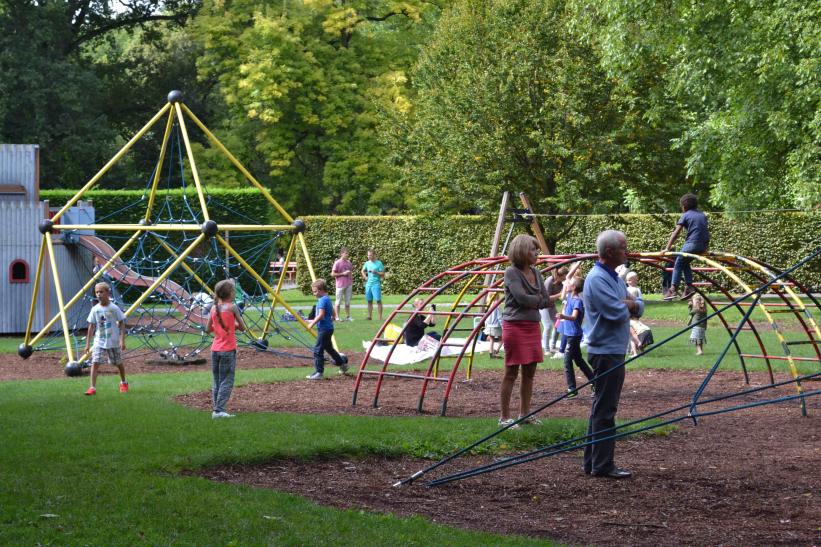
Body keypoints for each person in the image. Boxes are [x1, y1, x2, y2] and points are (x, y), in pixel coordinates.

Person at [583, 230, 643, 479]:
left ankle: (593, 463)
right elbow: (618, 313)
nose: (626, 252)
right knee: (605, 410)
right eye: (623, 248)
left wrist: (628, 304)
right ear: (609, 252)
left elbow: (637, 306)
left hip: (613, 350)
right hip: (605, 351)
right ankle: (603, 465)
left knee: (601, 407)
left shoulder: (614, 278)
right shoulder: (597, 279)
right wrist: (628, 305)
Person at [499, 234, 550, 428]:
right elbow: (522, 298)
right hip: (514, 326)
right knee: (511, 372)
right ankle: (504, 418)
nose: (537, 253)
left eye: (537, 249)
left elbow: (544, 301)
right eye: (532, 250)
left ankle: (525, 414)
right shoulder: (511, 272)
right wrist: (537, 300)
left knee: (530, 372)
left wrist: (536, 300)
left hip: (532, 326)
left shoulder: (537, 273)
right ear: (521, 251)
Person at [205, 279, 247, 418]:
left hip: (215, 349)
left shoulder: (213, 308)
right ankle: (219, 410)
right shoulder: (233, 307)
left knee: (217, 380)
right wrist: (232, 325)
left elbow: (207, 329)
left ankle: (216, 409)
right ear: (230, 293)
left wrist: (220, 327)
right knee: (227, 380)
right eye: (234, 291)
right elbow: (242, 327)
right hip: (228, 350)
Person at [84, 282, 128, 395]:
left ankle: (123, 382)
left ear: (107, 293)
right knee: (95, 361)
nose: (99, 294)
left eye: (101, 292)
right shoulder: (95, 309)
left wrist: (122, 340)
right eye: (97, 292)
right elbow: (91, 326)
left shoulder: (114, 308)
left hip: (112, 341)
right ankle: (92, 388)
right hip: (99, 340)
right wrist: (88, 344)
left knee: (117, 363)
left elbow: (122, 322)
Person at [663, 193, 710, 301]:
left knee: (678, 262)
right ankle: (689, 287)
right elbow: (705, 231)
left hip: (692, 244)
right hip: (703, 245)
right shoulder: (702, 215)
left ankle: (672, 289)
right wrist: (706, 247)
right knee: (685, 262)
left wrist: (667, 248)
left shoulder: (686, 215)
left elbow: (676, 233)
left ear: (684, 206)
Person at [557, 277, 594, 398]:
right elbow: (567, 278)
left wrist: (563, 316)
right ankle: (595, 381)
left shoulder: (577, 301)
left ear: (573, 287)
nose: (567, 284)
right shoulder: (569, 296)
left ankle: (572, 388)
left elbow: (574, 317)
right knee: (578, 360)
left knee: (567, 361)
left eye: (570, 284)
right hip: (570, 334)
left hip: (574, 335)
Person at [306, 279, 349, 380]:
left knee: (317, 350)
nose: (314, 294)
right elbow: (332, 311)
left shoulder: (322, 300)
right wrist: (333, 317)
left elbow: (321, 315)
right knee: (329, 348)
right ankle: (343, 364)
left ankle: (319, 372)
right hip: (328, 328)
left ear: (321, 290)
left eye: (315, 291)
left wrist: (312, 323)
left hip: (324, 329)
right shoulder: (327, 298)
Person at [540, 266, 568, 355]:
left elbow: (561, 297)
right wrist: (560, 294)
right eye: (565, 276)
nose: (566, 278)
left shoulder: (561, 283)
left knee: (558, 324)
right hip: (543, 306)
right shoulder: (549, 281)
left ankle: (553, 347)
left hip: (551, 306)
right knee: (548, 326)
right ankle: (546, 350)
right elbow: (546, 298)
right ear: (561, 275)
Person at [361, 249, 385, 321]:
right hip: (368, 284)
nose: (369, 256)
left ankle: (380, 317)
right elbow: (362, 270)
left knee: (378, 300)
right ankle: (369, 316)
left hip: (376, 284)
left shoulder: (379, 263)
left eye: (370, 255)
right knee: (369, 301)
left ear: (374, 255)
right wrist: (365, 277)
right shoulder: (367, 263)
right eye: (368, 255)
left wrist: (376, 272)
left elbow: (383, 273)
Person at [331, 247, 354, 321]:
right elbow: (333, 274)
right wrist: (342, 273)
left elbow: (350, 273)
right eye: (345, 253)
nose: (347, 255)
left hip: (348, 284)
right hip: (340, 285)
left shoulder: (349, 263)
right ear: (341, 254)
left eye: (348, 253)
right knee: (338, 302)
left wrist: (351, 280)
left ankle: (348, 316)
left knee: (347, 302)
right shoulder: (337, 262)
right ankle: (337, 317)